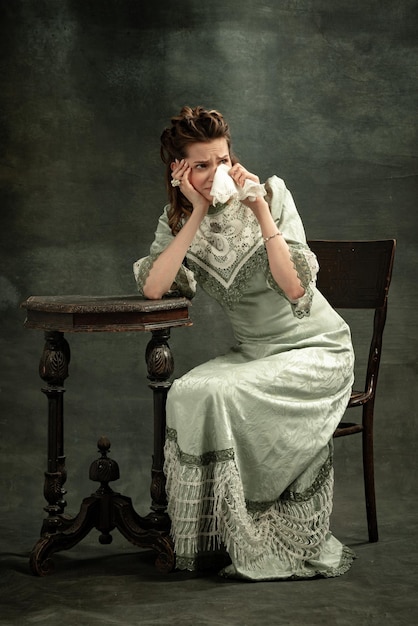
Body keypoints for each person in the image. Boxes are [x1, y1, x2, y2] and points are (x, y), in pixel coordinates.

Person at [133, 106, 355, 581]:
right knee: (189, 391)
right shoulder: (175, 222)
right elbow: (154, 289)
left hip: (316, 348)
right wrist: (193, 213)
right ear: (178, 171)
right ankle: (212, 538)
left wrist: (258, 210)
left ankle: (259, 526)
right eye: (200, 165)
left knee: (220, 391)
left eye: (220, 160)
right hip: (254, 353)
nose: (214, 174)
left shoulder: (271, 194)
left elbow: (296, 289)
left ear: (233, 156)